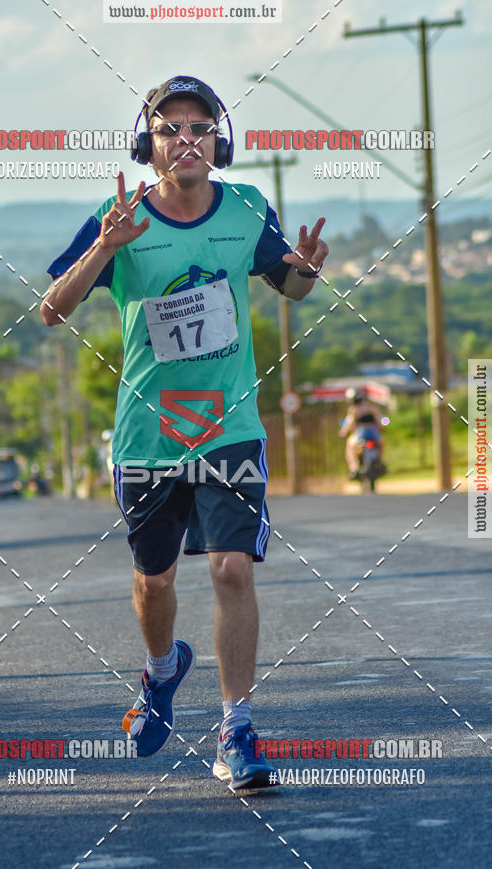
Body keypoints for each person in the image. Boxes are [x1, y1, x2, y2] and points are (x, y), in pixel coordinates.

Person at [42, 76, 328, 789]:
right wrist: (105, 248)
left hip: (229, 425)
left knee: (230, 567)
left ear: (218, 141)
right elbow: (51, 310)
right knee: (154, 582)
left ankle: (237, 728)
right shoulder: (122, 216)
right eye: (170, 129)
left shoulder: (246, 208)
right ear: (149, 144)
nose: (186, 140)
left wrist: (307, 276)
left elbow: (286, 284)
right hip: (148, 436)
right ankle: (163, 669)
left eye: (200, 127)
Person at [339, 387, 384, 479]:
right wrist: (381, 429)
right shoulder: (371, 407)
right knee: (381, 444)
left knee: (350, 447)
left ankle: (354, 468)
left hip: (360, 435)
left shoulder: (353, 410)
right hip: (374, 434)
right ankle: (380, 463)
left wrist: (343, 432)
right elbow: (380, 422)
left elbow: (349, 425)